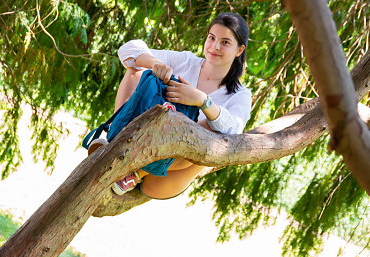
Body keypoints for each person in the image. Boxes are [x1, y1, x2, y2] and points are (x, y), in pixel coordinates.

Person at [89, 12, 252, 199]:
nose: (215, 46)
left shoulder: (240, 95)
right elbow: (129, 49)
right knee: (136, 68)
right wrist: (154, 62)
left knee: (214, 131)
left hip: (168, 168)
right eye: (211, 38)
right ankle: (116, 137)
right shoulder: (187, 61)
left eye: (225, 42)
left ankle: (134, 173)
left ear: (239, 50)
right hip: (140, 133)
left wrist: (202, 101)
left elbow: (234, 130)